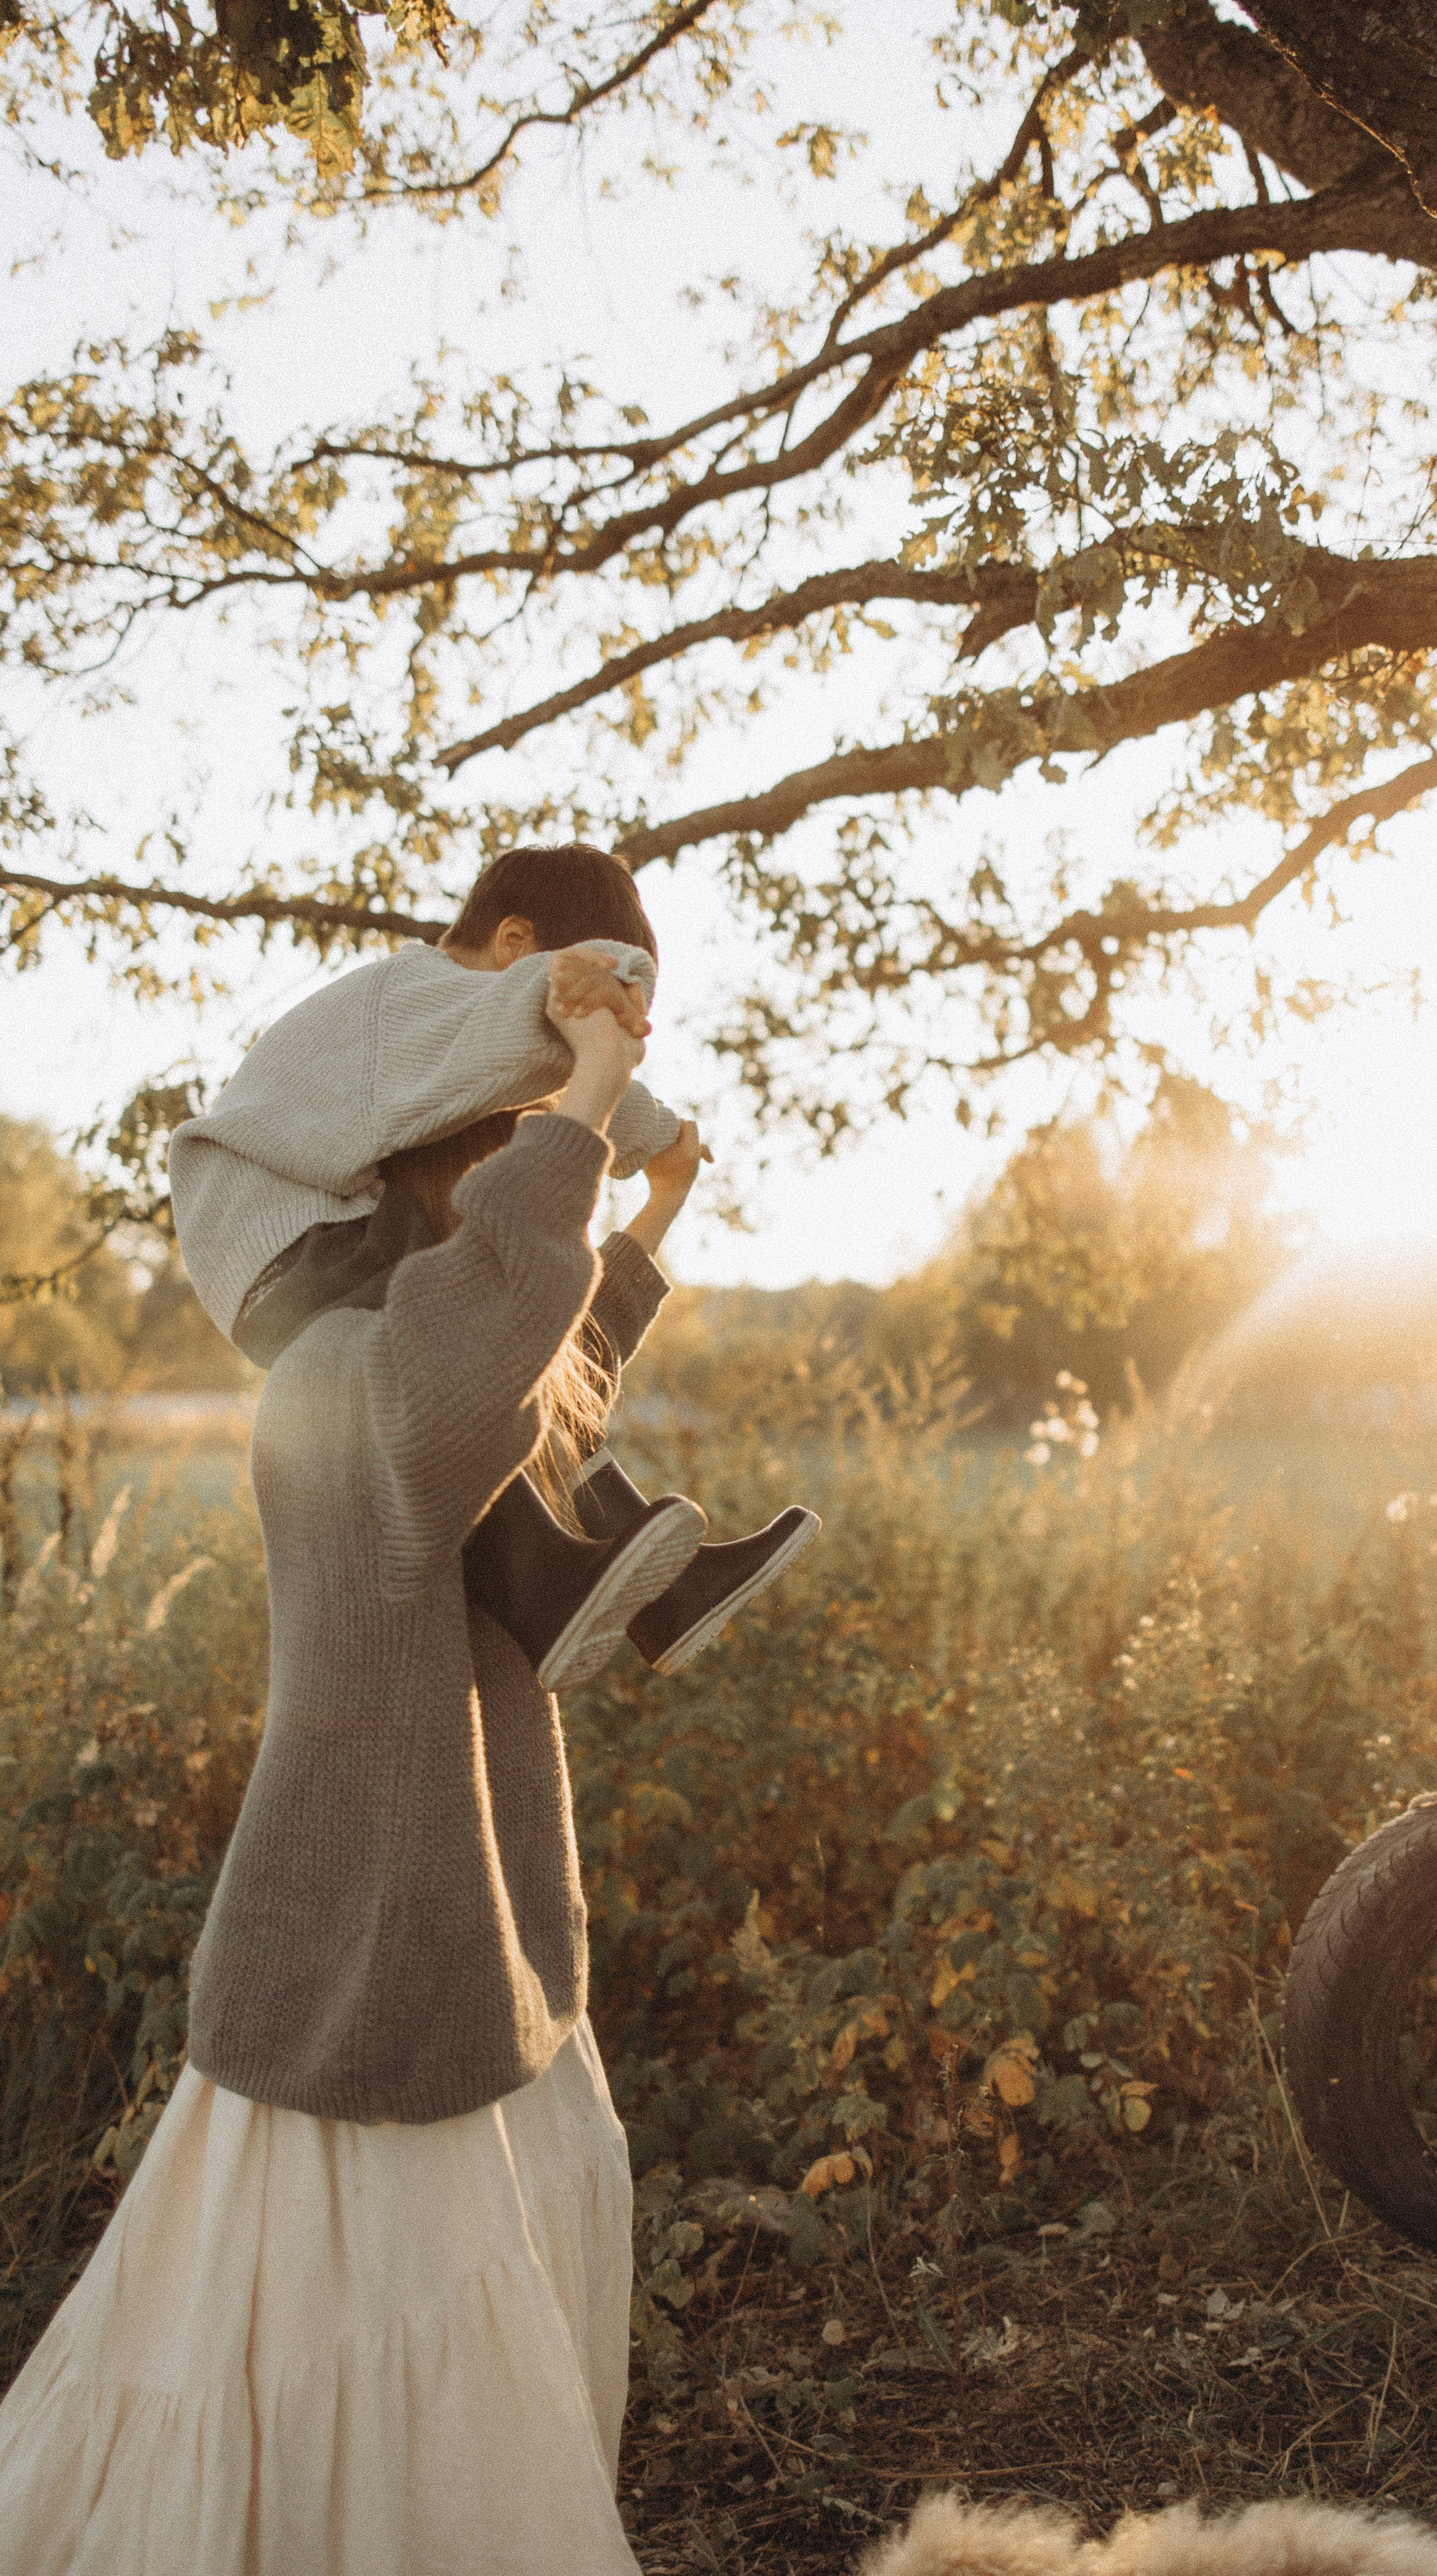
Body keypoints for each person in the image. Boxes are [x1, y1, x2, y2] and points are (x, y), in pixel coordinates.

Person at [0, 985, 657, 2573]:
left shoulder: (402, 1378)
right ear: (441, 1185)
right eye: (497, 1150)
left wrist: (647, 1203)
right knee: (350, 2348)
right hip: (369, 1945)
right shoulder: (350, 1387)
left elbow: (540, 1347)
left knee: (420, 2299)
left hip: (448, 1936)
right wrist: (590, 1087)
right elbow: (492, 1328)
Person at [167, 843, 818, 1689]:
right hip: (288, 1250)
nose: (616, 1017)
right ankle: (544, 1583)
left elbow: (560, 1337)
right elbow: (538, 1016)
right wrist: (643, 1106)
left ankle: (665, 1594)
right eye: (597, 988)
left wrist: (663, 1193)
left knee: (521, 1345)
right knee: (485, 1305)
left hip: (302, 1265)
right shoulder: (401, 997)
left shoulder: (437, 1087)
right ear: (513, 941)